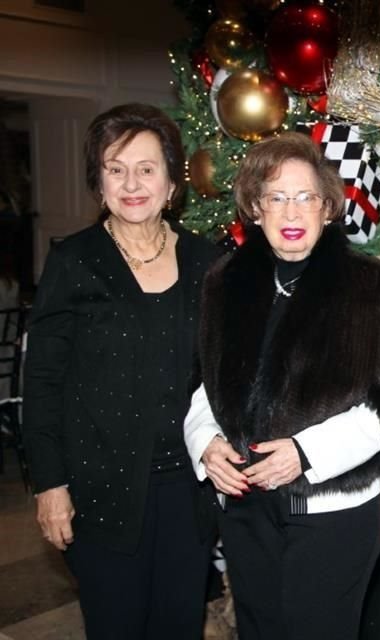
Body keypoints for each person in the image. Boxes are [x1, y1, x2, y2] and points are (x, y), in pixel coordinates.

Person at [183, 132, 380, 640]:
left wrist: (305, 452)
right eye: (276, 197)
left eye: (306, 197)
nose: (291, 212)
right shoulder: (223, 281)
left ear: (327, 208)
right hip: (247, 506)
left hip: (331, 511)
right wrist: (205, 444)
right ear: (255, 207)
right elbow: (205, 385)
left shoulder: (369, 286)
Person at [21, 103, 220, 638]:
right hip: (97, 490)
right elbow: (41, 382)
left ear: (172, 182)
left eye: (147, 168)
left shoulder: (207, 260)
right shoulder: (74, 260)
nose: (132, 183)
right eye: (116, 168)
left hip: (188, 490)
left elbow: (222, 374)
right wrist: (50, 484)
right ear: (99, 181)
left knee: (179, 626)